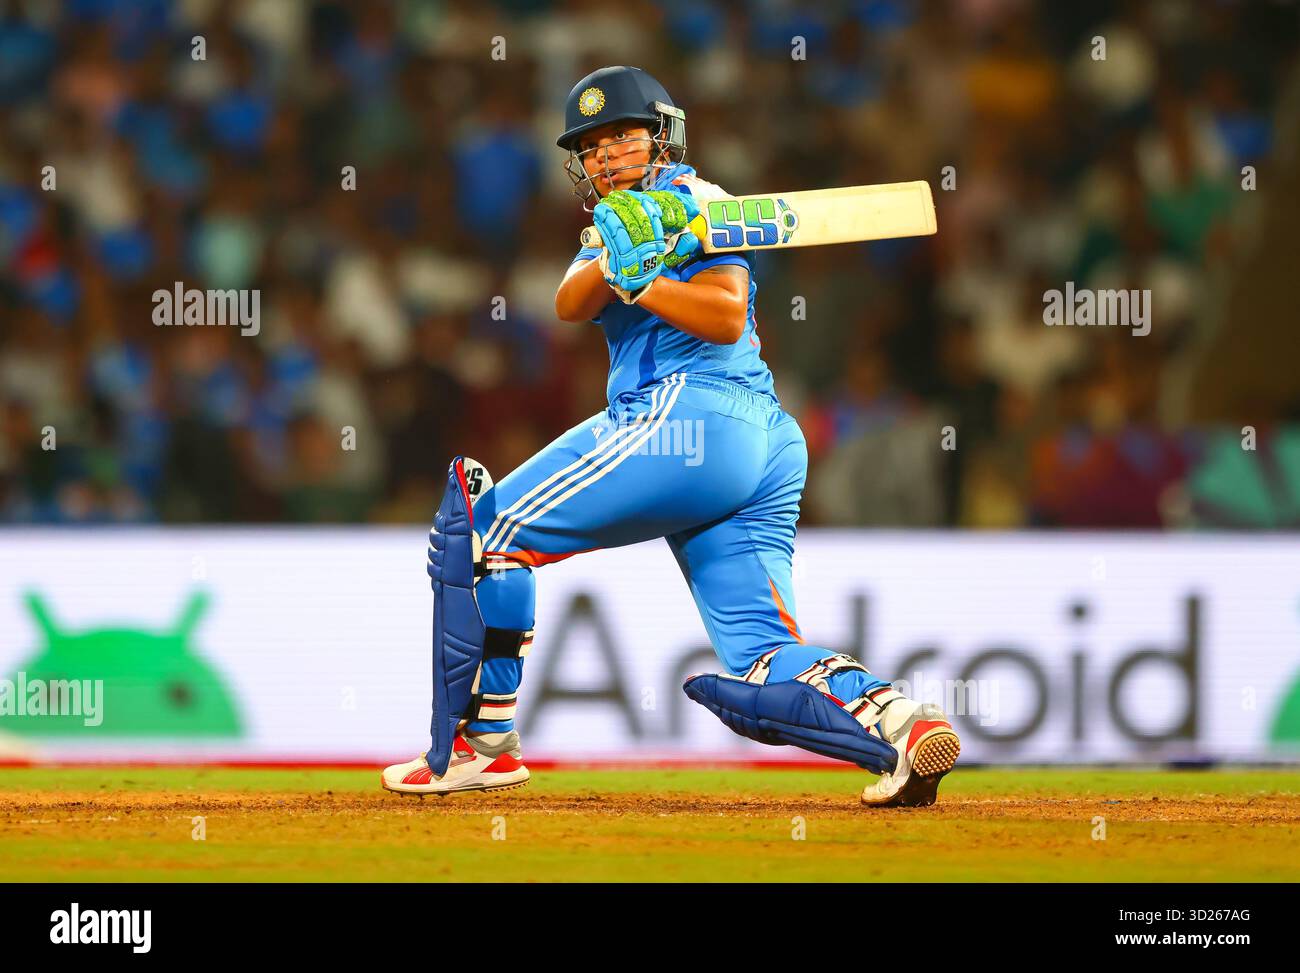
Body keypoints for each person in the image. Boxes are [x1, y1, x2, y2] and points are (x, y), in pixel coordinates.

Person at [381, 66, 960, 807]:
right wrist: (625, 259)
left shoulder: (700, 201)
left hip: (689, 416)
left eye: (621, 136)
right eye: (590, 148)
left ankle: (481, 744)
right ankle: (899, 723)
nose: (605, 157)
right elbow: (567, 302)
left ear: (661, 137)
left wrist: (648, 276)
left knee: (484, 533)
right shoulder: (616, 226)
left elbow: (723, 314)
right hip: (759, 443)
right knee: (758, 655)